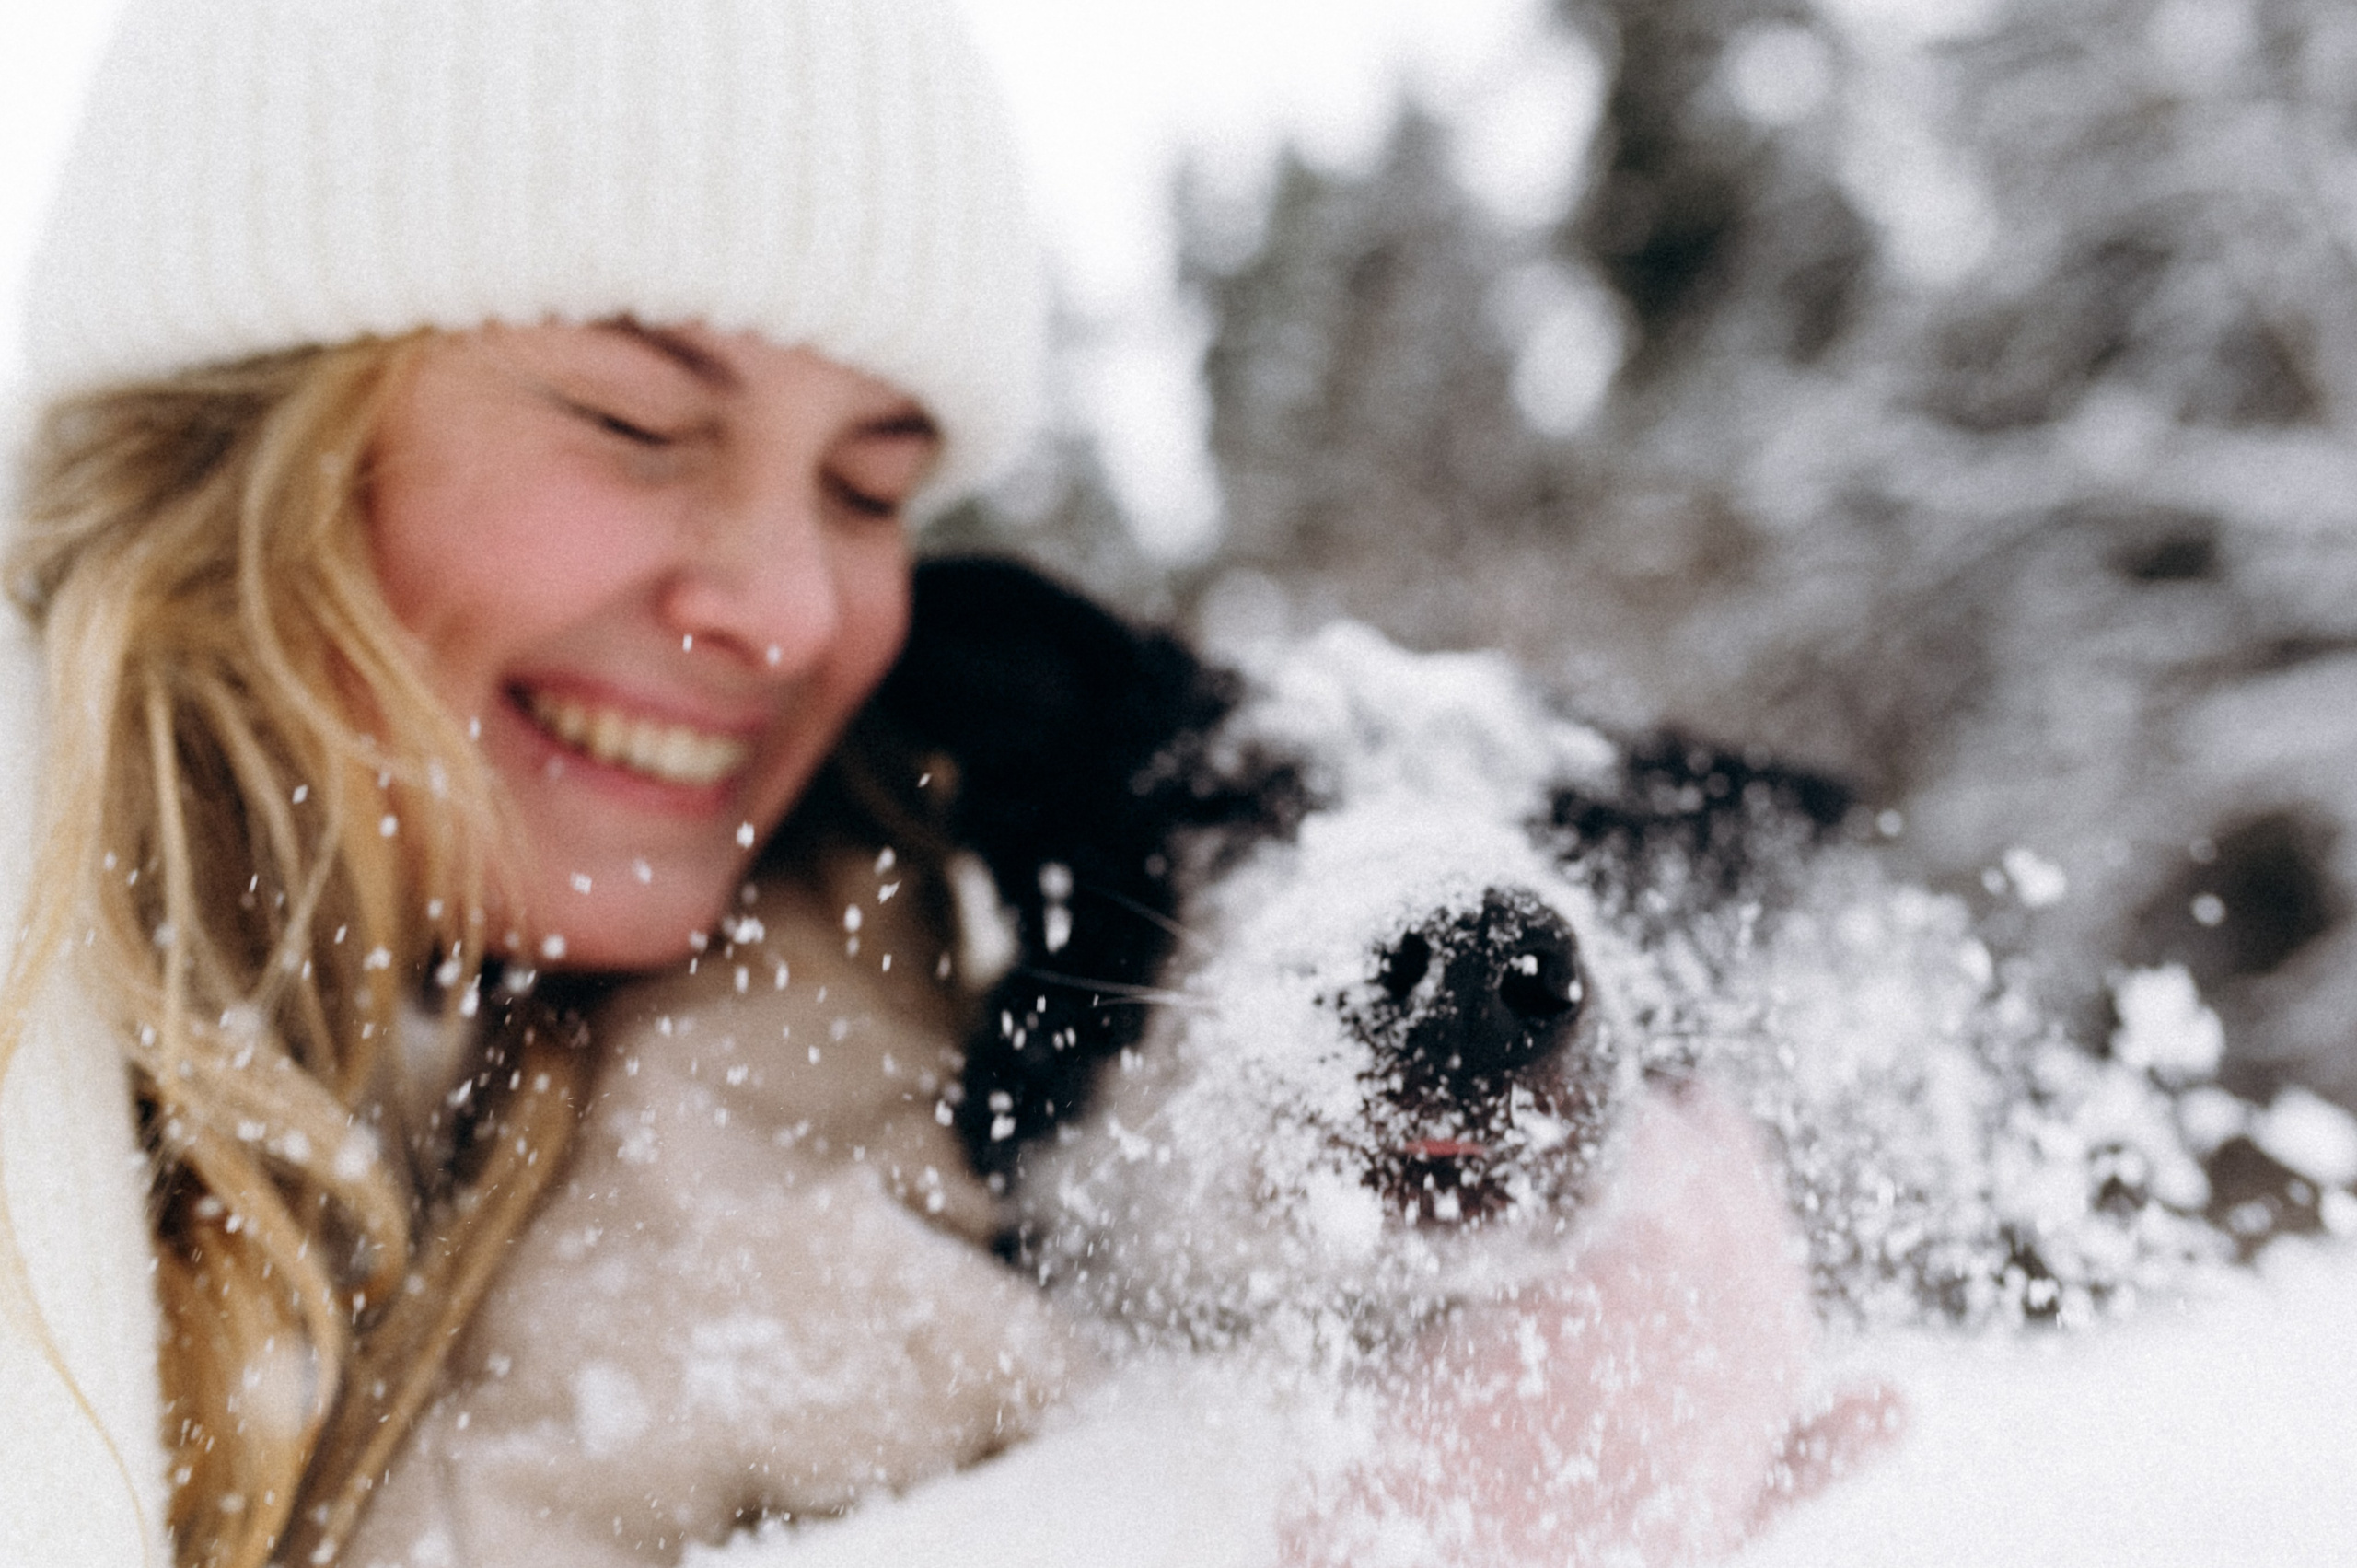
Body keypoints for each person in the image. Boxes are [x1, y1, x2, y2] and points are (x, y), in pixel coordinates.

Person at [0, 2, 1878, 1565]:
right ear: (231, 419)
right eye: (634, 423)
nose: (787, 608)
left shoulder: (707, 1034)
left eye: (868, 490)